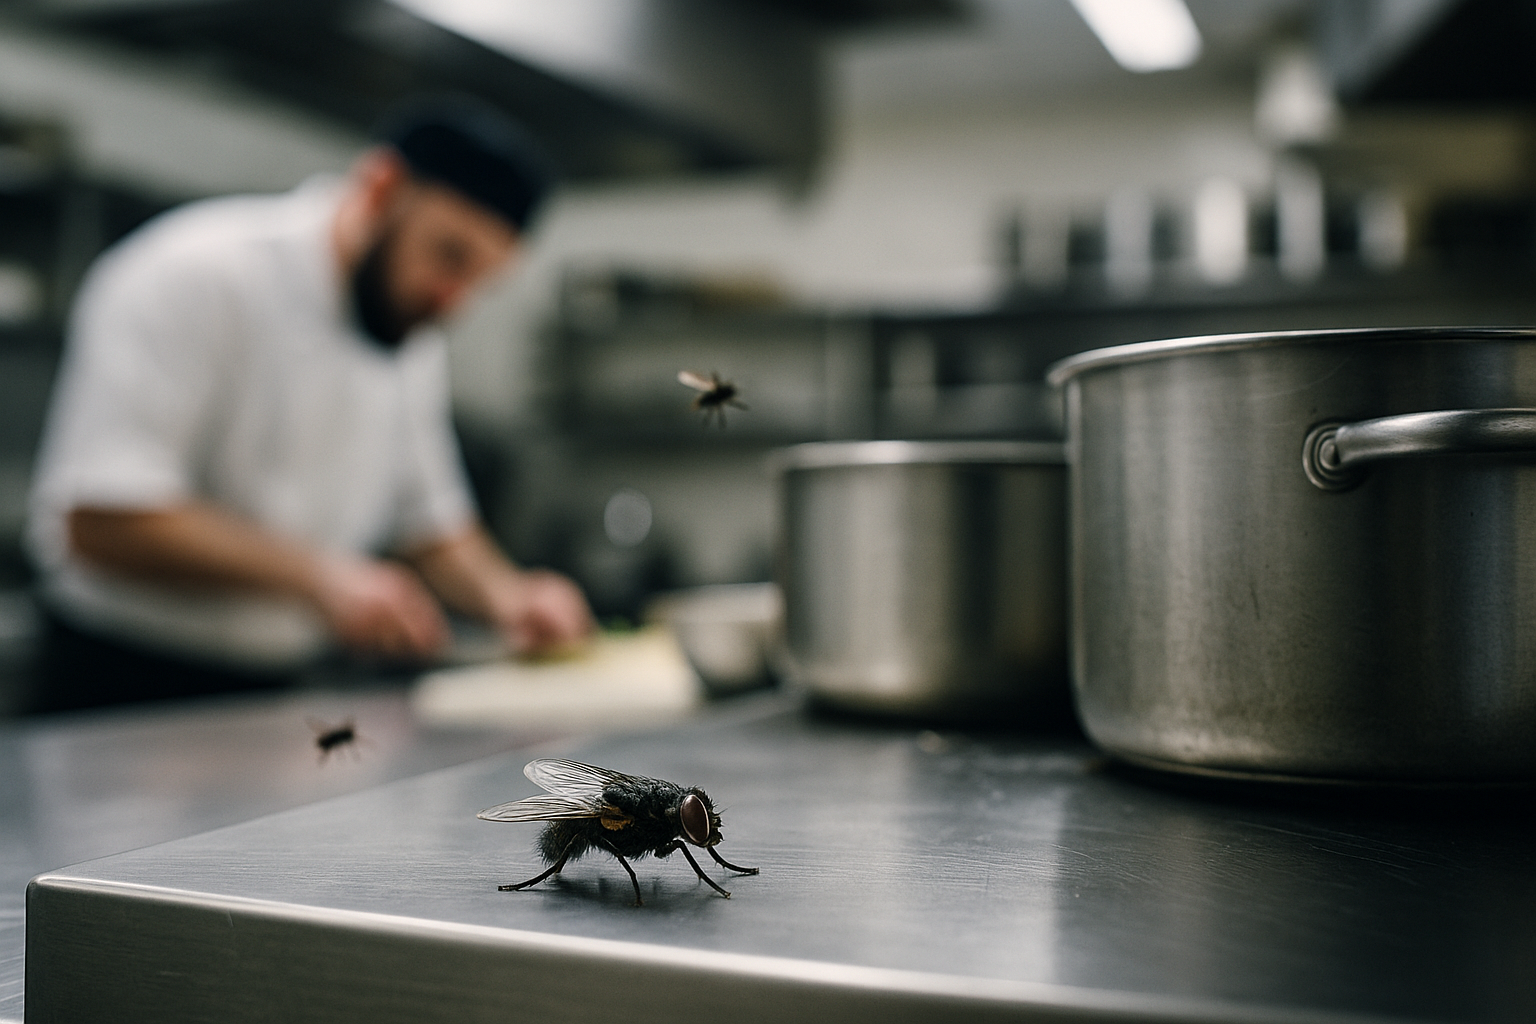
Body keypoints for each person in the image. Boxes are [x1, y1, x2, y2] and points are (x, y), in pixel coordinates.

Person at [25, 98, 594, 713]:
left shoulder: (405, 324)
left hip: (276, 687)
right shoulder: (194, 272)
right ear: (381, 187)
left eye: (479, 279)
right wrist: (323, 579)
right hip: (123, 680)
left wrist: (507, 596)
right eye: (449, 256)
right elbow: (102, 518)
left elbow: (428, 518)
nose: (452, 301)